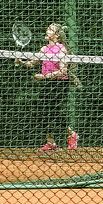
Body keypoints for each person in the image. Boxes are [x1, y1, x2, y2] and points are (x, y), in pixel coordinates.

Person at [17, 23, 79, 152]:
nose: (47, 31)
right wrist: (21, 62)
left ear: (56, 35)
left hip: (59, 84)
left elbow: (63, 72)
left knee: (55, 112)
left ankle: (71, 134)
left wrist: (43, 76)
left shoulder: (62, 49)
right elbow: (31, 64)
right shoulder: (44, 49)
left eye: (50, 30)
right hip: (47, 84)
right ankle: (50, 142)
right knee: (43, 113)